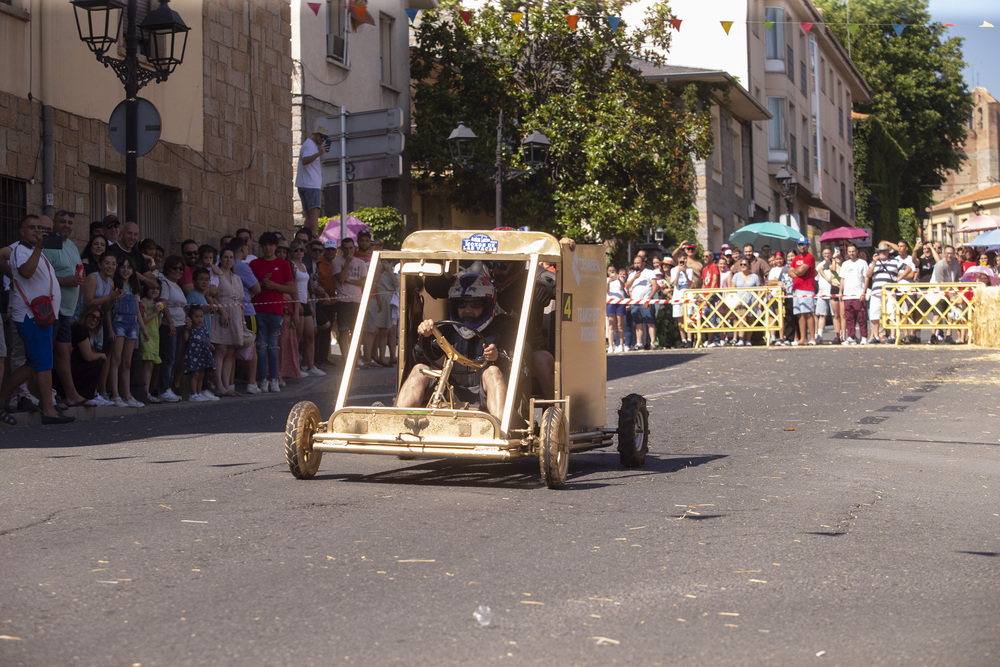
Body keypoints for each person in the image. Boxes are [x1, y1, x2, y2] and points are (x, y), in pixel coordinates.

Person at [396, 272, 512, 419]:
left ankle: (500, 431)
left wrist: (498, 356)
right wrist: (425, 337)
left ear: (487, 304)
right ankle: (396, 421)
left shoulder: (503, 329)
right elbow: (423, 356)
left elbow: (523, 368)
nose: (468, 309)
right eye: (461, 304)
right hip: (449, 393)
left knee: (493, 372)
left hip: (486, 394)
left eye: (475, 304)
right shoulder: (447, 330)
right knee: (419, 370)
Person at [0, 214, 74, 425]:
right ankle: (49, 410)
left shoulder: (33, 251)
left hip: (41, 316)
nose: (36, 231)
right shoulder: (21, 252)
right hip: (30, 316)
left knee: (36, 362)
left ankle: (3, 397)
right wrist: (40, 248)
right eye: (31, 227)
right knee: (42, 363)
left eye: (39, 228)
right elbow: (26, 273)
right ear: (22, 232)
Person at [45, 209, 88, 408]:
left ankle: (71, 395)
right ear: (54, 223)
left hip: (68, 310)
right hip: (52, 308)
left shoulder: (70, 245)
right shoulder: (50, 243)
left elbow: (79, 275)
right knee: (48, 353)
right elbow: (43, 276)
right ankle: (48, 397)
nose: (66, 225)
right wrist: (66, 281)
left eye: (70, 222)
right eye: (62, 221)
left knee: (64, 352)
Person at [250, 232, 296, 392]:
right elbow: (251, 288)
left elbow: (291, 288)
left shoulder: (283, 264)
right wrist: (262, 284)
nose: (268, 248)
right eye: (265, 245)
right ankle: (263, 379)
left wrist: (274, 286)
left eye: (271, 245)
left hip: (276, 311)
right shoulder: (254, 264)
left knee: (274, 346)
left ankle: (274, 378)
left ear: (276, 246)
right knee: (261, 346)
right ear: (261, 247)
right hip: (258, 310)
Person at [108, 257, 147, 408]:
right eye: (123, 267)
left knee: (127, 362)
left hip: (132, 326)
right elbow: (109, 308)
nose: (125, 270)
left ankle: (127, 395)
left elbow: (137, 311)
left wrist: (143, 329)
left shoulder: (134, 288)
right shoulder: (114, 286)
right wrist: (110, 328)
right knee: (116, 359)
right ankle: (116, 395)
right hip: (118, 323)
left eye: (128, 267)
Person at [211, 247, 247, 396]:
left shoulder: (237, 278)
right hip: (222, 315)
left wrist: (243, 322)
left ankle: (227, 385)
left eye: (231, 257)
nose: (228, 260)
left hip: (236, 316)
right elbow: (212, 296)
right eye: (225, 257)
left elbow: (241, 302)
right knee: (220, 350)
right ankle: (218, 384)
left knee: (230, 353)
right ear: (220, 259)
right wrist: (221, 311)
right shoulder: (216, 275)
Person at [229, 237, 262, 393]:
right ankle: (251, 383)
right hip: (247, 311)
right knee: (251, 346)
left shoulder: (221, 266)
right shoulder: (241, 267)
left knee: (231, 349)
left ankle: (230, 383)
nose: (248, 252)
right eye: (247, 248)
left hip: (230, 311)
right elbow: (257, 288)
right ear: (242, 249)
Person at [331, 236, 369, 368]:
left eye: (350, 248)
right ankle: (346, 359)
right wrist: (347, 263)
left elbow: (364, 282)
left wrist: (349, 280)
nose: (348, 251)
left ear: (355, 248)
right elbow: (341, 278)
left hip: (357, 300)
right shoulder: (337, 262)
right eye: (345, 249)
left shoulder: (361, 263)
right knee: (343, 330)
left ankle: (356, 358)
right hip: (343, 300)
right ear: (342, 249)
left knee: (355, 331)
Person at [60, 305, 106, 406]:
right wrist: (101, 355)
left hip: (68, 371)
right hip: (66, 372)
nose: (95, 321)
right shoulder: (81, 329)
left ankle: (93, 394)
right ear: (85, 315)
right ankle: (88, 395)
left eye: (98, 319)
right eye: (92, 317)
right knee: (96, 364)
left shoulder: (80, 329)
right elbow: (88, 356)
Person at [289, 240, 323, 376]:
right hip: (296, 302)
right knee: (297, 336)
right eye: (296, 250)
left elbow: (306, 287)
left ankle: (310, 365)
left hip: (306, 301)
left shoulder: (303, 265)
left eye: (301, 250)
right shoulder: (291, 265)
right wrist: (297, 305)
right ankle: (295, 366)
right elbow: (293, 286)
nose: (299, 252)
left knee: (310, 335)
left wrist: (310, 304)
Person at [156, 256, 186, 402]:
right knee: (168, 358)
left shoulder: (178, 286)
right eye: (175, 268)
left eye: (181, 269)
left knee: (175, 358)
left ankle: (169, 386)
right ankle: (164, 388)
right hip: (170, 325)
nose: (178, 271)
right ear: (168, 269)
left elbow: (181, 305)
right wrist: (170, 323)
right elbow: (163, 303)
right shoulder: (165, 284)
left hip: (181, 325)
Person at [296, 123, 329, 236]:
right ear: (315, 134)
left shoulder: (310, 145)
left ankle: (305, 236)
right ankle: (313, 236)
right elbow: (305, 160)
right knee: (314, 213)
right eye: (321, 136)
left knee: (309, 215)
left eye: (325, 138)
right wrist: (320, 153)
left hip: (305, 183)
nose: (322, 139)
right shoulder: (310, 145)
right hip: (311, 184)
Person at [866, 242, 903, 344]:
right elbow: (868, 274)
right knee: (874, 314)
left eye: (884, 251)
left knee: (892, 314)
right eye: (880, 251)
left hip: (890, 291)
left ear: (888, 252)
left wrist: (899, 278)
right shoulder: (874, 262)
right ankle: (876, 336)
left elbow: (908, 268)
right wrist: (874, 263)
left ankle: (893, 336)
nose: (882, 253)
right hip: (876, 291)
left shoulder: (895, 261)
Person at [371, 239, 399, 367]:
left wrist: (388, 269)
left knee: (387, 331)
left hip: (389, 302)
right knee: (378, 330)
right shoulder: (376, 269)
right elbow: (373, 282)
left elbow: (397, 283)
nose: (386, 262)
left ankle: (384, 356)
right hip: (379, 300)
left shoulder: (392, 271)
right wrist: (380, 269)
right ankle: (377, 356)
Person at [183, 305, 218, 402]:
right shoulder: (191, 329)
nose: (199, 319)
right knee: (195, 374)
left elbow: (207, 340)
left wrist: (210, 345)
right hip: (194, 354)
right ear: (191, 317)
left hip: (203, 354)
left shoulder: (203, 329)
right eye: (196, 317)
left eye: (201, 316)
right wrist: (186, 330)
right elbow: (185, 339)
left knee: (202, 375)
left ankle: (199, 392)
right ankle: (193, 393)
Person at [625, 253, 658, 350]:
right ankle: (639, 343)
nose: (636, 265)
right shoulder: (632, 275)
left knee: (650, 322)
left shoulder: (649, 272)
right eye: (635, 263)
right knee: (638, 323)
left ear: (643, 263)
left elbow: (655, 286)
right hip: (635, 302)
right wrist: (635, 277)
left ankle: (652, 343)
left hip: (646, 301)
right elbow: (626, 286)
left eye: (638, 263)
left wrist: (649, 298)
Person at [788, 237, 818, 345]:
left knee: (808, 313)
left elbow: (801, 271)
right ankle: (803, 338)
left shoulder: (810, 257)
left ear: (808, 246)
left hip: (807, 288)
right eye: (800, 245)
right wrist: (797, 271)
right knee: (800, 314)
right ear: (797, 246)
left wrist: (796, 271)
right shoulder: (795, 258)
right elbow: (789, 272)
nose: (802, 247)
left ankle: (812, 338)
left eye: (804, 245)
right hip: (796, 289)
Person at [111, 221, 157, 289]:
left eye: (135, 234)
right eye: (129, 233)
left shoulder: (138, 256)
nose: (132, 237)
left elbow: (155, 284)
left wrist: (140, 277)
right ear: (121, 234)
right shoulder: (110, 251)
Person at [139, 280, 164, 403]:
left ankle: (147, 391)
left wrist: (159, 314)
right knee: (147, 364)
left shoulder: (155, 303)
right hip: (145, 335)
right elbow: (143, 320)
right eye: (151, 288)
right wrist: (155, 312)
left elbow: (158, 324)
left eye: (157, 288)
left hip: (154, 336)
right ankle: (144, 392)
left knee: (151, 365)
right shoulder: (143, 302)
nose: (154, 291)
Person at [840, 243, 869, 345]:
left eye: (853, 251)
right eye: (849, 252)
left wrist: (863, 292)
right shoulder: (845, 264)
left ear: (857, 252)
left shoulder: (863, 263)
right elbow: (842, 279)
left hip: (858, 294)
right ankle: (851, 336)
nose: (851, 253)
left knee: (861, 317)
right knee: (849, 318)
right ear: (847, 253)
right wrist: (841, 292)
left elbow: (866, 278)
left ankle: (864, 336)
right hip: (847, 295)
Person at [731, 256, 761, 346]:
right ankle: (740, 339)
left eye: (745, 264)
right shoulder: (736, 276)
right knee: (741, 319)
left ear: (749, 265)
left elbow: (759, 289)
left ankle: (748, 339)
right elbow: (733, 289)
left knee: (750, 320)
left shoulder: (755, 276)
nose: (743, 266)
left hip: (752, 301)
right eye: (741, 264)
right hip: (740, 301)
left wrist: (759, 302)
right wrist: (736, 300)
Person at [670, 253, 696, 348]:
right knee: (680, 319)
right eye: (682, 259)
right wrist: (679, 272)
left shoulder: (690, 270)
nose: (683, 261)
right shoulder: (673, 270)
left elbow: (690, 284)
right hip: (678, 295)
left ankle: (690, 339)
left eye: (685, 259)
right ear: (678, 260)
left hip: (687, 295)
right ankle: (683, 339)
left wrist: (685, 272)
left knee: (688, 318)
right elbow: (675, 283)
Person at [606, 264, 626, 353]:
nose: (612, 272)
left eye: (613, 271)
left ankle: (621, 344)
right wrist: (609, 281)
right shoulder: (606, 280)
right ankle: (611, 345)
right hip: (610, 303)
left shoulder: (620, 280)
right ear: (607, 272)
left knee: (620, 325)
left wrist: (618, 279)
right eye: (610, 271)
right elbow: (606, 290)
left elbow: (623, 287)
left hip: (620, 302)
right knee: (611, 325)